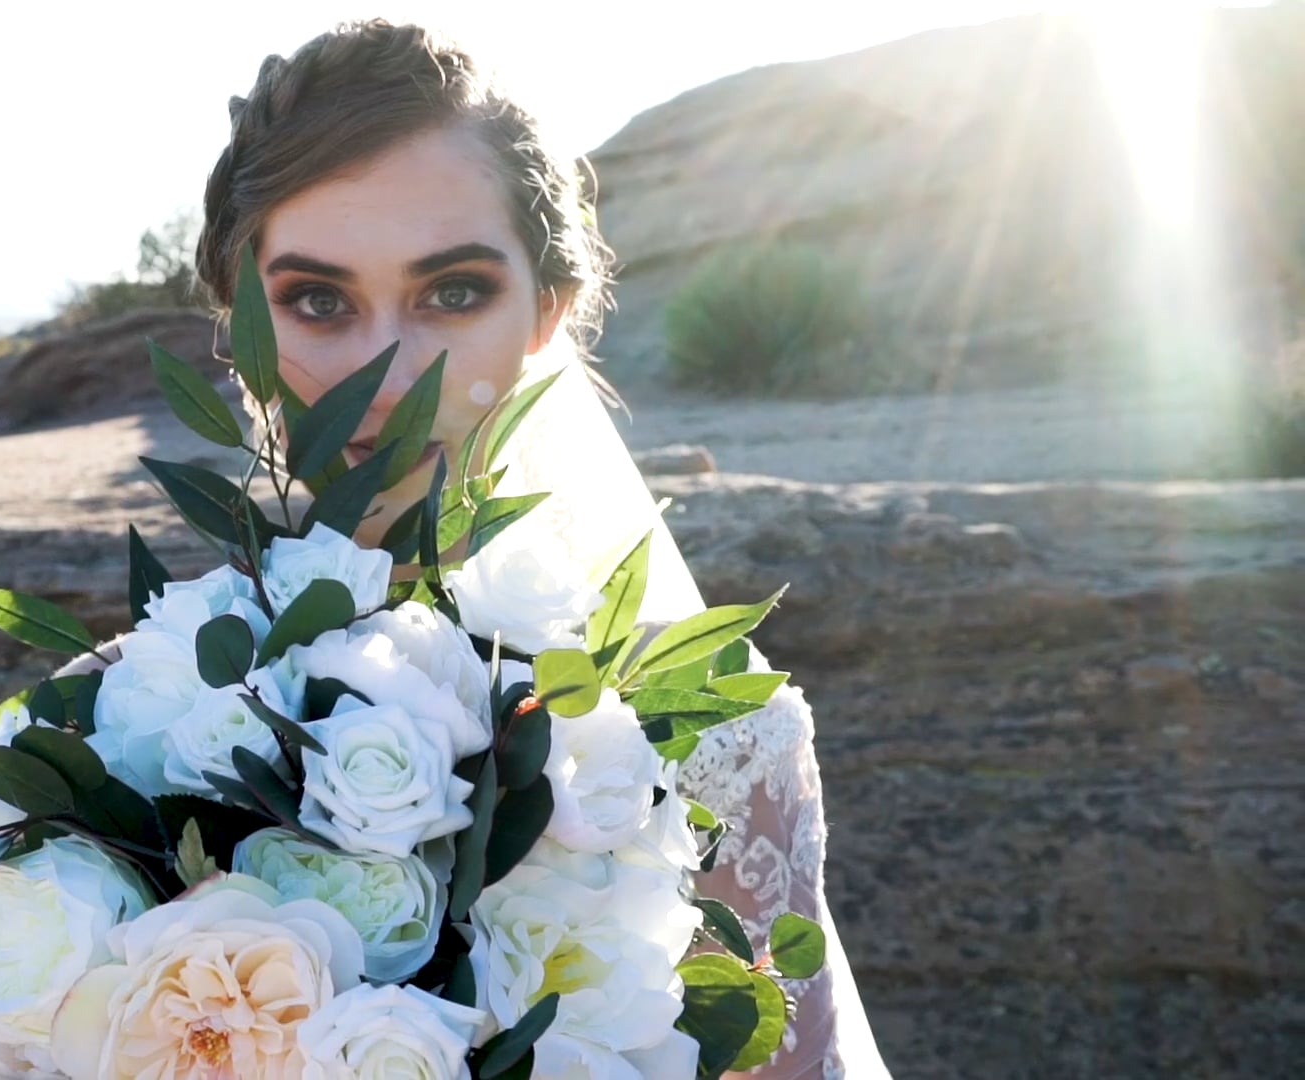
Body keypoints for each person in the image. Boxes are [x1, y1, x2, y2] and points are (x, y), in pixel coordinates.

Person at [189, 19, 892, 1079]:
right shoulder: (152, 710)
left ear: (545, 314)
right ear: (242, 327)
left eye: (453, 293)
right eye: (317, 301)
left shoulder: (713, 732)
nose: (391, 376)